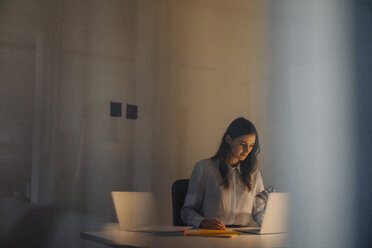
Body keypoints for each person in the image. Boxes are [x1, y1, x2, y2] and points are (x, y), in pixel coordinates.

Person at [180, 117, 273, 230]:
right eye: (243, 144)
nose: (247, 150)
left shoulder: (253, 173)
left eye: (251, 145)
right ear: (228, 139)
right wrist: (203, 222)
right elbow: (186, 211)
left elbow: (258, 211)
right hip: (212, 235)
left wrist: (270, 219)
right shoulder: (204, 168)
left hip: (242, 237)